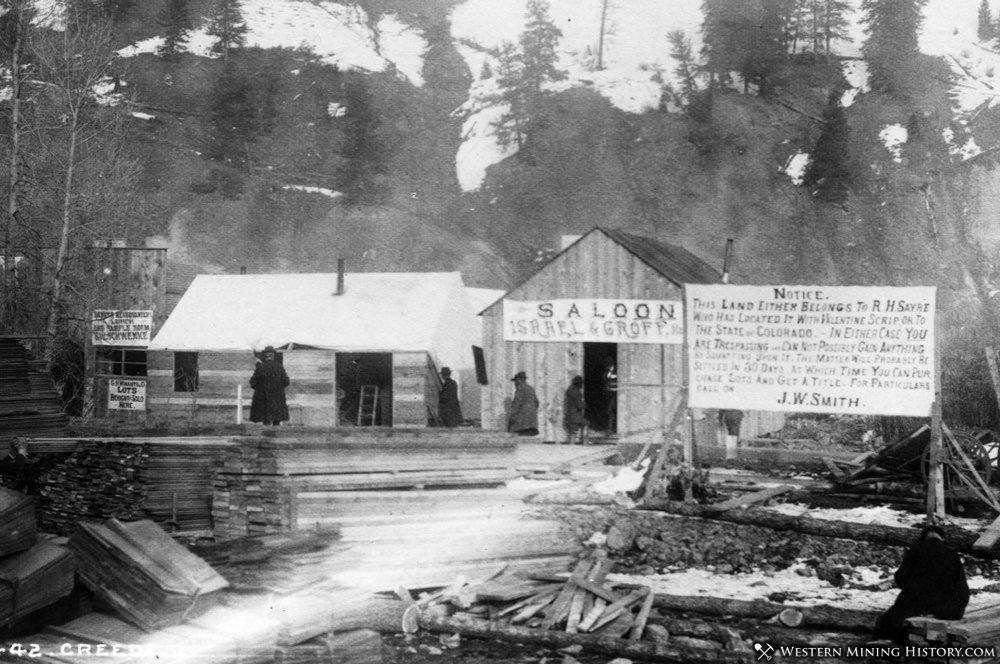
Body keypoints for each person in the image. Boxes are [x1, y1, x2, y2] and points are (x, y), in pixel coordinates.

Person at [873, 524, 969, 644]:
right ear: (942, 538)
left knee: (887, 623)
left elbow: (900, 578)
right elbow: (962, 588)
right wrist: (957, 608)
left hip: (917, 602)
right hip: (944, 606)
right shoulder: (952, 554)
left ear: (923, 538)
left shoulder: (917, 549)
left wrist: (913, 587)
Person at [249, 346, 290, 426]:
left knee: (266, 421)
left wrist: (260, 389)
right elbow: (286, 382)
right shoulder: (279, 367)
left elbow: (252, 383)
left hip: (264, 400)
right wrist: (278, 388)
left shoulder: (260, 367)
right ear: (273, 355)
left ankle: (267, 436)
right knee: (276, 421)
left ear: (265, 355)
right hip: (277, 399)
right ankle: (276, 436)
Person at [507, 371, 539, 437]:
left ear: (519, 380)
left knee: (520, 442)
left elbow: (516, 404)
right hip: (532, 423)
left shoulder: (520, 388)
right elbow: (537, 403)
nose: (515, 383)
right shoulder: (531, 388)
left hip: (522, 424)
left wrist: (512, 418)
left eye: (515, 381)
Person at [563, 375, 587, 444]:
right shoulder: (577, 392)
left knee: (572, 431)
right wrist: (584, 404)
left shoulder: (569, 390)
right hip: (575, 415)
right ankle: (585, 443)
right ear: (579, 384)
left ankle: (572, 444)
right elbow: (580, 405)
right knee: (586, 424)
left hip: (569, 415)